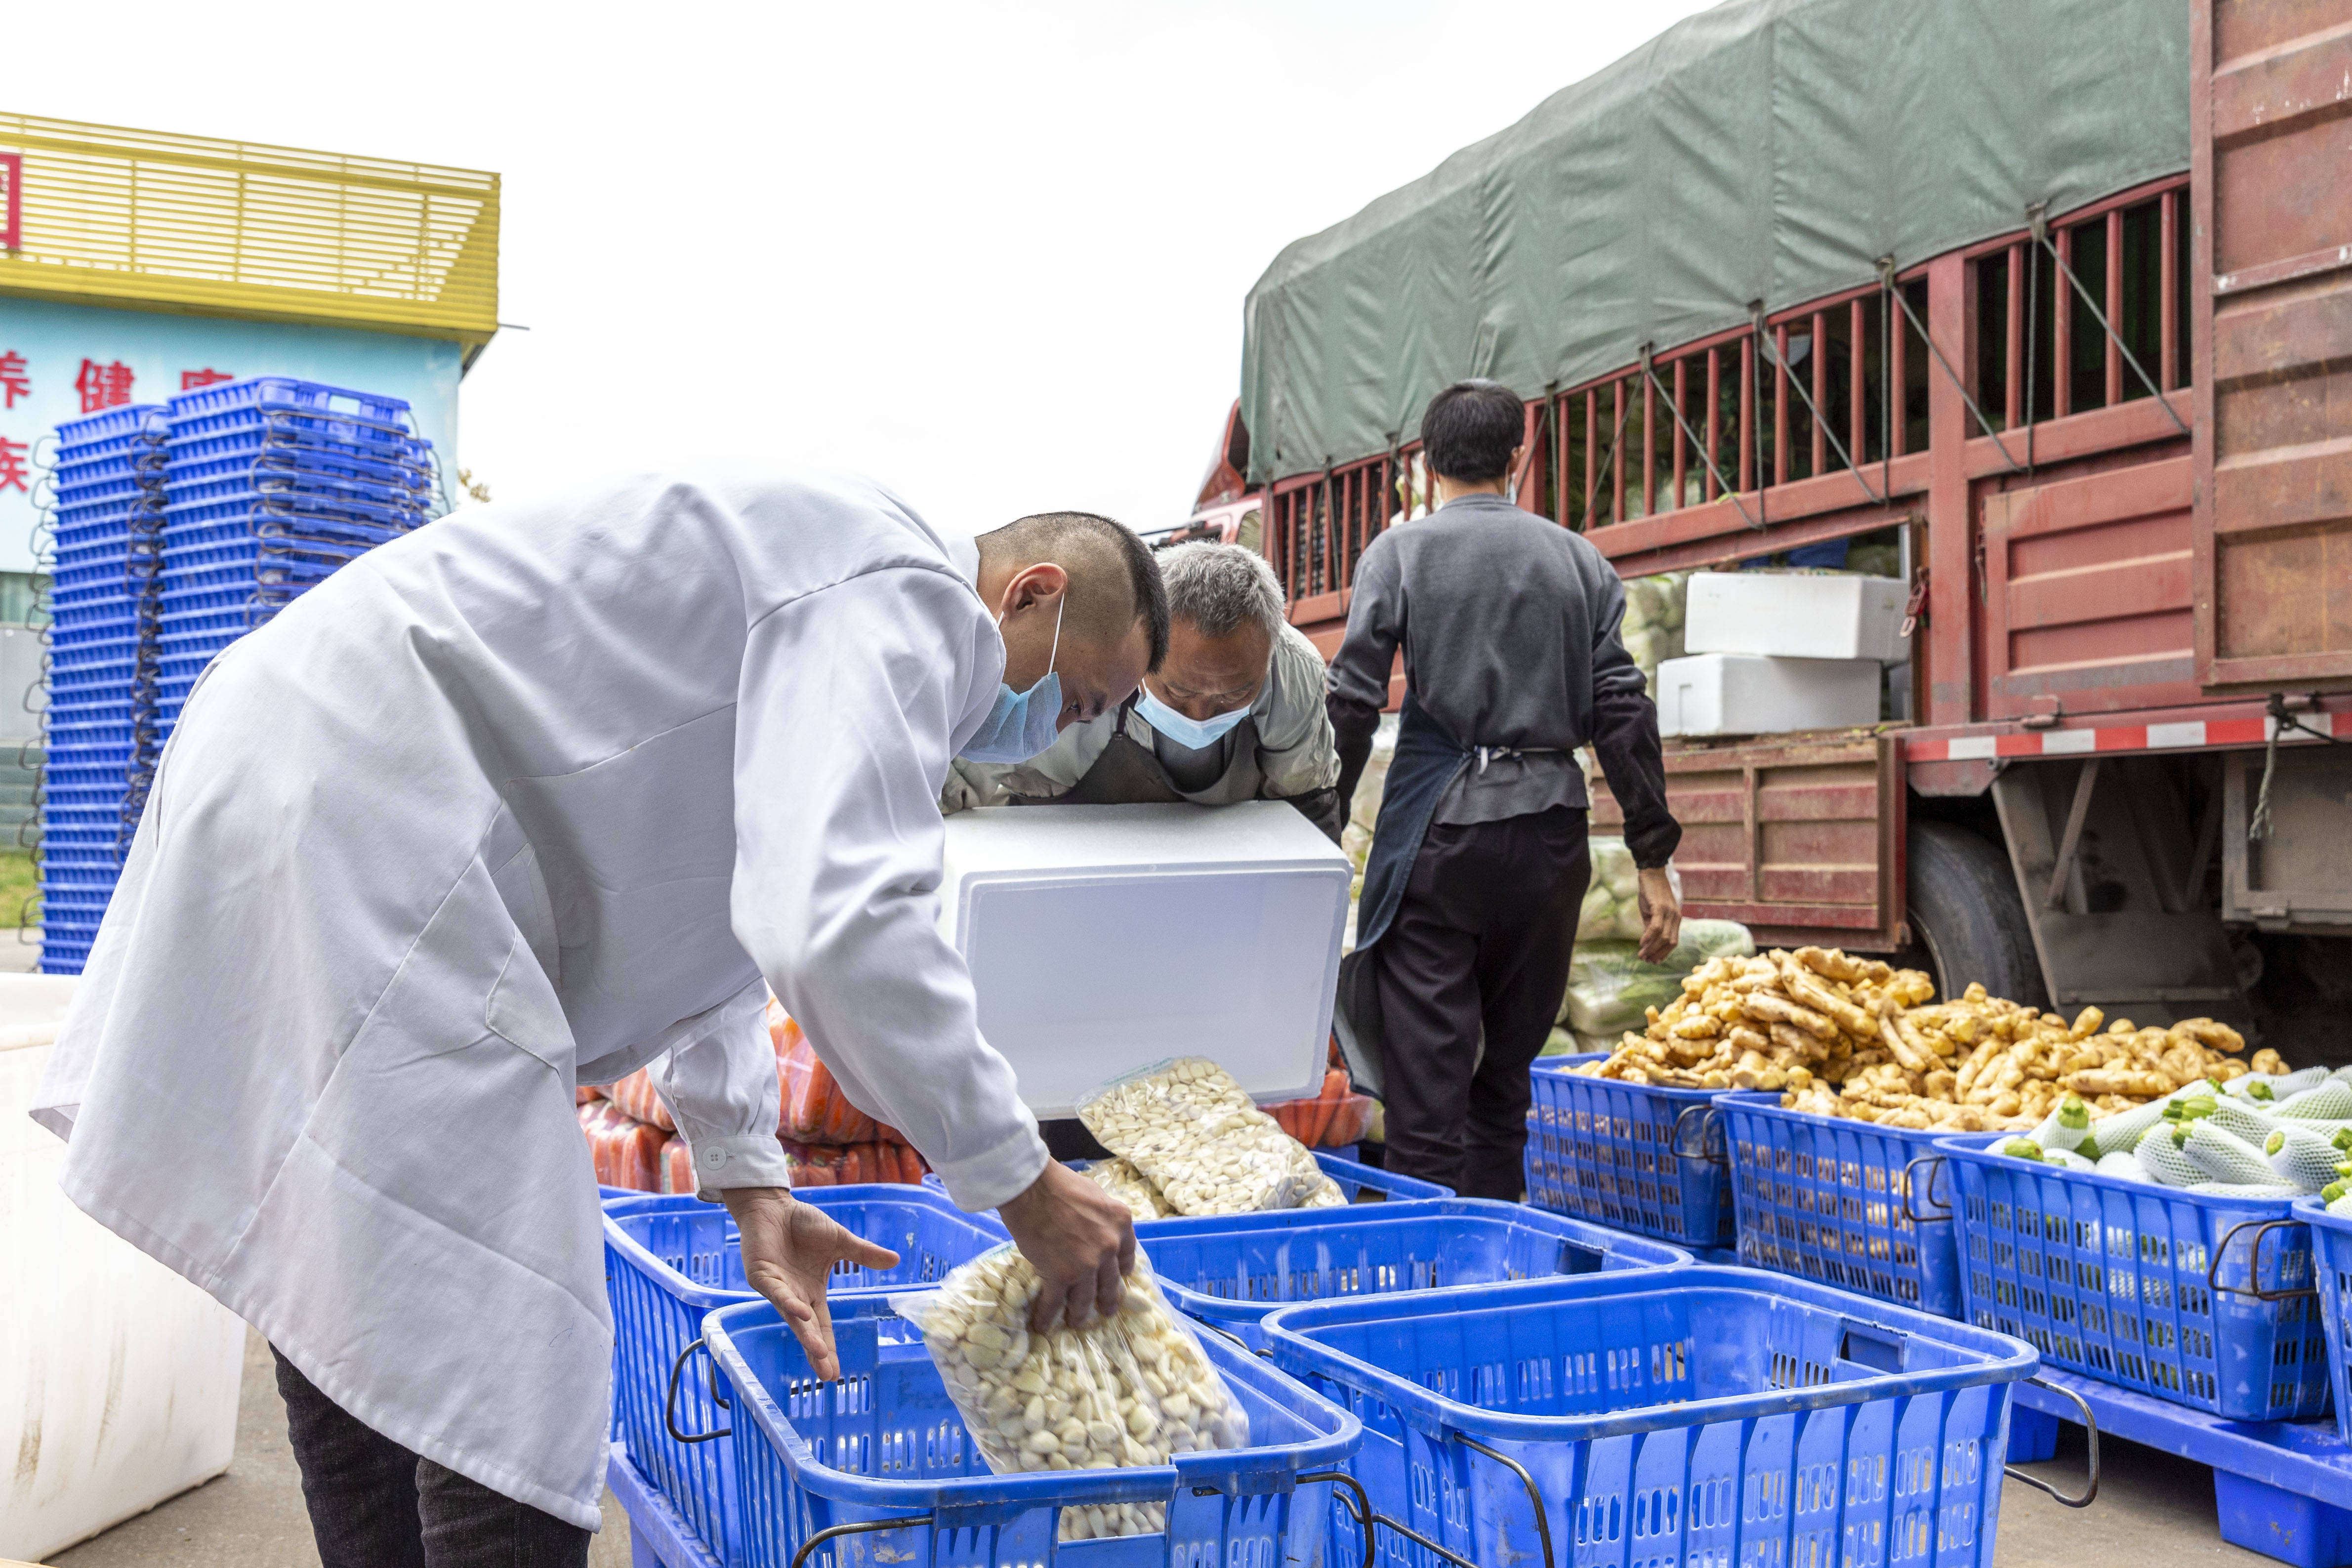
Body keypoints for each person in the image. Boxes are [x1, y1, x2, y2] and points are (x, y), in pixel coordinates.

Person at [30, 475, 1163, 1567]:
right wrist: (1025, 1183)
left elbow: (725, 905)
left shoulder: (832, 580)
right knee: (512, 1352)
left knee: (355, 1273)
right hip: (372, 792)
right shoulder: (904, 595)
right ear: (1032, 593)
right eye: (1083, 698)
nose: (1068, 732)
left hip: (301, 748)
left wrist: (747, 1177)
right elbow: (840, 922)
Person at [1326, 380, 1682, 1198]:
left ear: (1423, 463)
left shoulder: (1399, 553)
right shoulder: (1580, 559)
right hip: (1551, 840)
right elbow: (1623, 708)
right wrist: (1652, 858)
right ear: (1519, 456)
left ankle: (1423, 1279)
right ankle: (1495, 1262)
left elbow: (1351, 700)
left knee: (1425, 1095)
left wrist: (1322, 826)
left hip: (1439, 839)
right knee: (1504, 1086)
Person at [943, 541, 1342, 839]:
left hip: (1221, 863)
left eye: (1232, 696)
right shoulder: (1063, 665)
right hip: (1051, 854)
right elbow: (945, 790)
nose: (1200, 715)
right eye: (1177, 691)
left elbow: (1306, 809)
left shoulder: (1293, 670)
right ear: (1141, 645)